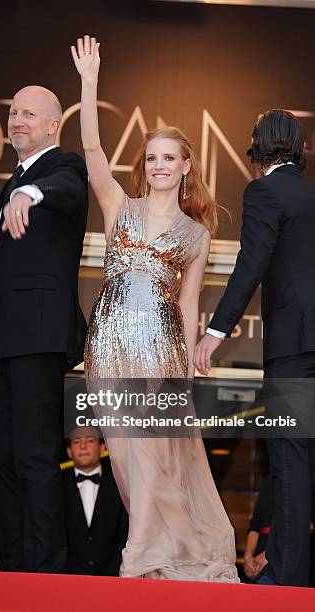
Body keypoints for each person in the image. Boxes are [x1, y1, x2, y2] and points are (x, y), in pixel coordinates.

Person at [71, 35, 238, 581]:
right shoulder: (120, 206)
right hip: (110, 346)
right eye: (152, 158)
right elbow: (93, 152)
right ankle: (162, 552)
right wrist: (90, 84)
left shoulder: (196, 234)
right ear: (143, 165)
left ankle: (144, 555)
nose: (160, 165)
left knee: (159, 456)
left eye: (170, 158)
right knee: (124, 456)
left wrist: (188, 362)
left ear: (187, 165)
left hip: (161, 352)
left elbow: (189, 303)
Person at [194, 109, 315, 586]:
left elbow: (252, 264)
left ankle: (287, 575)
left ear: (261, 143)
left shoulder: (263, 191)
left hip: (292, 346)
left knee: (289, 459)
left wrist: (216, 330)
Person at [0, 82, 88, 573]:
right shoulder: (11, 180)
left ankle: (43, 570)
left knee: (34, 455)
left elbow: (66, 189)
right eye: (14, 112)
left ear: (53, 125)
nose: (17, 119)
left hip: (39, 337)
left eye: (30, 113)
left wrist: (30, 190)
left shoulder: (64, 168)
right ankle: (12, 563)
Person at [62, 426, 128, 576]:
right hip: (68, 580)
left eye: (90, 440)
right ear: (69, 451)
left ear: (102, 448)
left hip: (113, 579)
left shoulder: (120, 485)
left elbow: (125, 536)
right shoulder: (57, 489)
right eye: (77, 441)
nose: (83, 446)